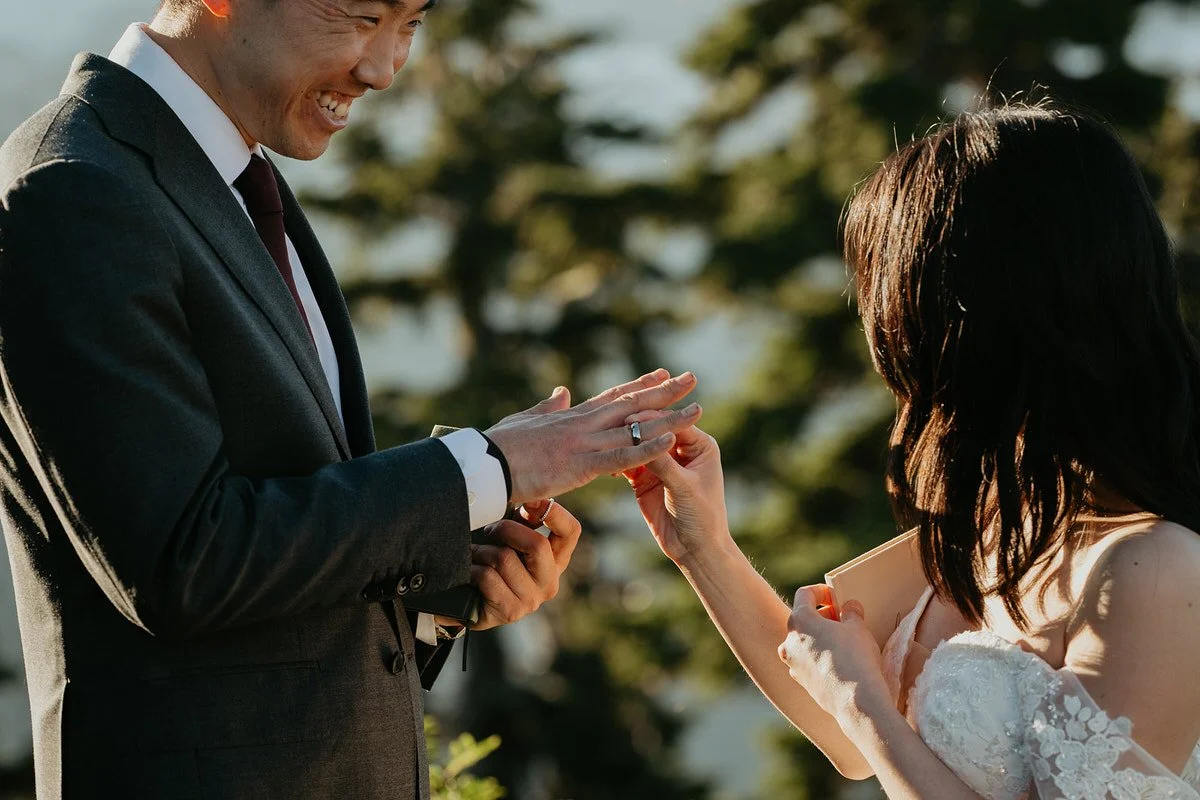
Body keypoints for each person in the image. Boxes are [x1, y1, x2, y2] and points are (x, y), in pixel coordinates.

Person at [0, 1, 703, 797]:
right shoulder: (73, 186)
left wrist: (444, 574)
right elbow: (182, 563)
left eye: (412, 24)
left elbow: (273, 530)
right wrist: (488, 467)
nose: (382, 67)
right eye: (363, 16)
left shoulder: (234, 175)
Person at [626, 101, 1200, 799]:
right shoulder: (992, 527)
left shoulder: (1155, 568)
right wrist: (701, 545)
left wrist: (858, 699)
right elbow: (849, 745)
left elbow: (858, 716)